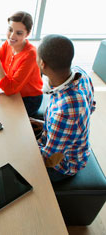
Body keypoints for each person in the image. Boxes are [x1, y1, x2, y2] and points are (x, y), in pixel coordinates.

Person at [31, 35, 96, 183]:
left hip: (63, 165)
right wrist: (47, 125)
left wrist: (22, 145)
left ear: (42, 63)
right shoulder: (81, 74)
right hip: (67, 141)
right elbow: (90, 108)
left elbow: (49, 159)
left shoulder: (64, 113)